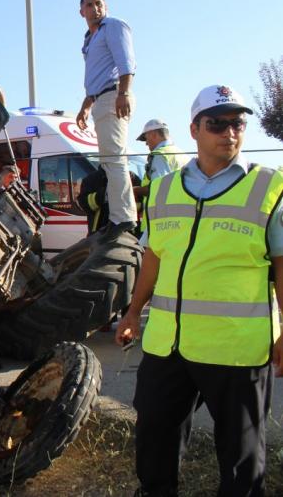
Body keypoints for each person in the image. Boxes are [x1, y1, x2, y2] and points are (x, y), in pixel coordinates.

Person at [115, 85, 283, 496]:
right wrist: (134, 312)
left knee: (242, 459)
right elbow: (153, 256)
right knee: (154, 437)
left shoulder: (270, 187)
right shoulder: (166, 188)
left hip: (237, 350)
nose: (229, 132)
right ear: (194, 129)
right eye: (217, 123)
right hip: (167, 346)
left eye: (238, 123)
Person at [75, 0, 137, 237]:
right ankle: (117, 216)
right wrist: (86, 105)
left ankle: (123, 218)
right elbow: (97, 76)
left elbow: (126, 63)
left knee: (114, 158)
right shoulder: (90, 38)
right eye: (89, 5)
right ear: (82, 12)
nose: (95, 8)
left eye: (98, 4)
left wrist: (123, 93)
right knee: (108, 162)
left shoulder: (113, 26)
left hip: (113, 95)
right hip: (101, 98)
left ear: (105, 6)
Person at [133, 119, 189, 233]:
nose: (146, 143)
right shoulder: (182, 155)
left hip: (160, 223)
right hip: (180, 220)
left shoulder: (159, 155)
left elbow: (157, 188)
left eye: (146, 138)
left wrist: (134, 190)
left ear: (153, 135)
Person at [78, 166, 141, 235]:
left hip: (128, 233)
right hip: (100, 234)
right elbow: (84, 204)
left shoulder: (132, 178)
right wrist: (106, 193)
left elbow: (143, 204)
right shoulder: (91, 180)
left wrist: (128, 200)